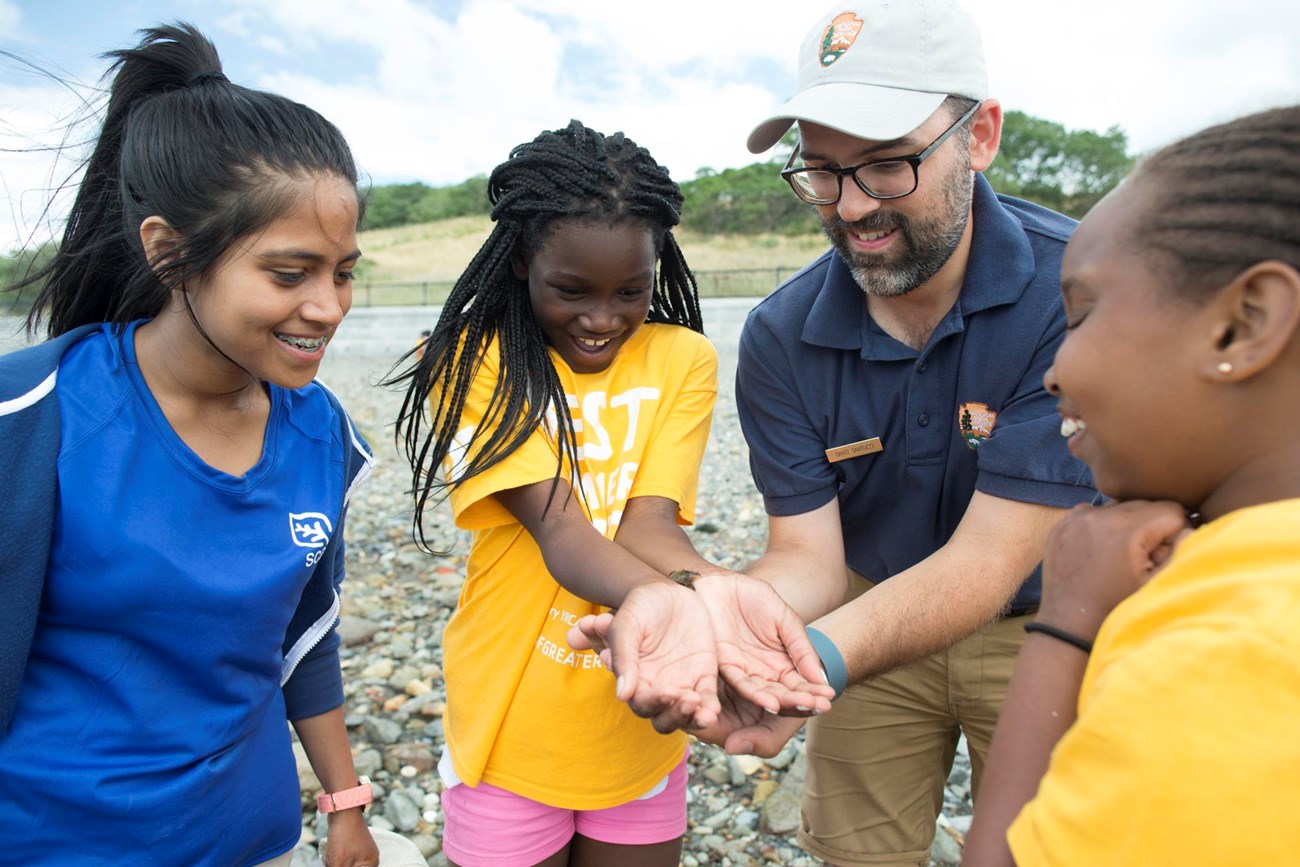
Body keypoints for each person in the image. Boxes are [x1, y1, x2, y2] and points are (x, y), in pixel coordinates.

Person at [573, 2, 1097, 865]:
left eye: (887, 165)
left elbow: (985, 561)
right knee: (856, 849)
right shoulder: (781, 335)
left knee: (1047, 845)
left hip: (1042, 622)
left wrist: (806, 658)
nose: (852, 207)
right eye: (821, 171)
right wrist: (718, 620)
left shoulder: (1071, 291)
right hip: (863, 612)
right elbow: (808, 558)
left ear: (981, 135)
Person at [0, 24, 422, 867]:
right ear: (170, 253)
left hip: (251, 836)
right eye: (289, 272)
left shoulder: (322, 434)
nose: (330, 306)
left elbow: (309, 630)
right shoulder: (33, 412)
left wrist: (346, 806)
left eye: (342, 271)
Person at [388, 119, 830, 867]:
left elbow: (649, 528)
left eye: (630, 291)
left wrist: (714, 594)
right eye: (572, 291)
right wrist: (672, 603)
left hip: (640, 715)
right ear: (524, 258)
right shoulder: (476, 361)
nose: (602, 319)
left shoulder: (681, 359)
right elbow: (562, 530)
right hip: (511, 722)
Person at [959, 106, 1300, 865]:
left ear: (1243, 324)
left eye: (1079, 315)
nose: (1054, 369)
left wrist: (1066, 622)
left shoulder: (1228, 657)